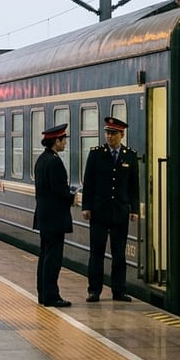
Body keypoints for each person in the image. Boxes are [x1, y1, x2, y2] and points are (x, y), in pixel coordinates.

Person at [82, 116, 140, 303]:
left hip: (120, 212)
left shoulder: (130, 155)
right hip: (99, 212)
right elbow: (89, 182)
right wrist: (86, 206)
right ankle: (94, 290)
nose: (109, 136)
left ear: (122, 134)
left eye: (113, 133)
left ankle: (119, 290)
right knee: (96, 253)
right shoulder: (96, 154)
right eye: (107, 132)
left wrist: (134, 209)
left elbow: (134, 186)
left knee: (119, 254)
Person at [33, 124, 75, 307]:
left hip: (44, 217)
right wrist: (72, 196)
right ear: (56, 141)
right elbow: (59, 191)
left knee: (44, 256)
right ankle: (52, 296)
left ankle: (43, 294)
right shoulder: (55, 162)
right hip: (55, 218)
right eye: (63, 140)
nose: (65, 143)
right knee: (53, 258)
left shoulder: (41, 159)